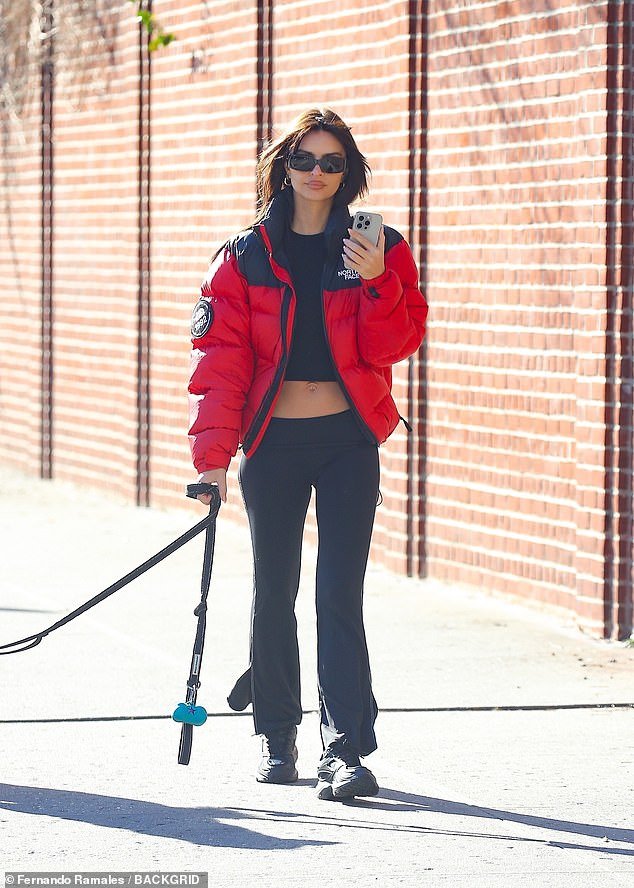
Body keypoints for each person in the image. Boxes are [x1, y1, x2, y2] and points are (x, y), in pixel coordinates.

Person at [187, 107, 427, 801]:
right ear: (282, 167)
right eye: (305, 160)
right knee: (273, 594)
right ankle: (275, 735)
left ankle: (345, 748)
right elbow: (220, 365)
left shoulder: (378, 246)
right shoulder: (245, 256)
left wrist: (380, 278)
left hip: (349, 442)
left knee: (338, 595)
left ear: (347, 172)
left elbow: (392, 346)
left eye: (332, 162)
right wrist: (211, 460)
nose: (318, 174)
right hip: (274, 446)